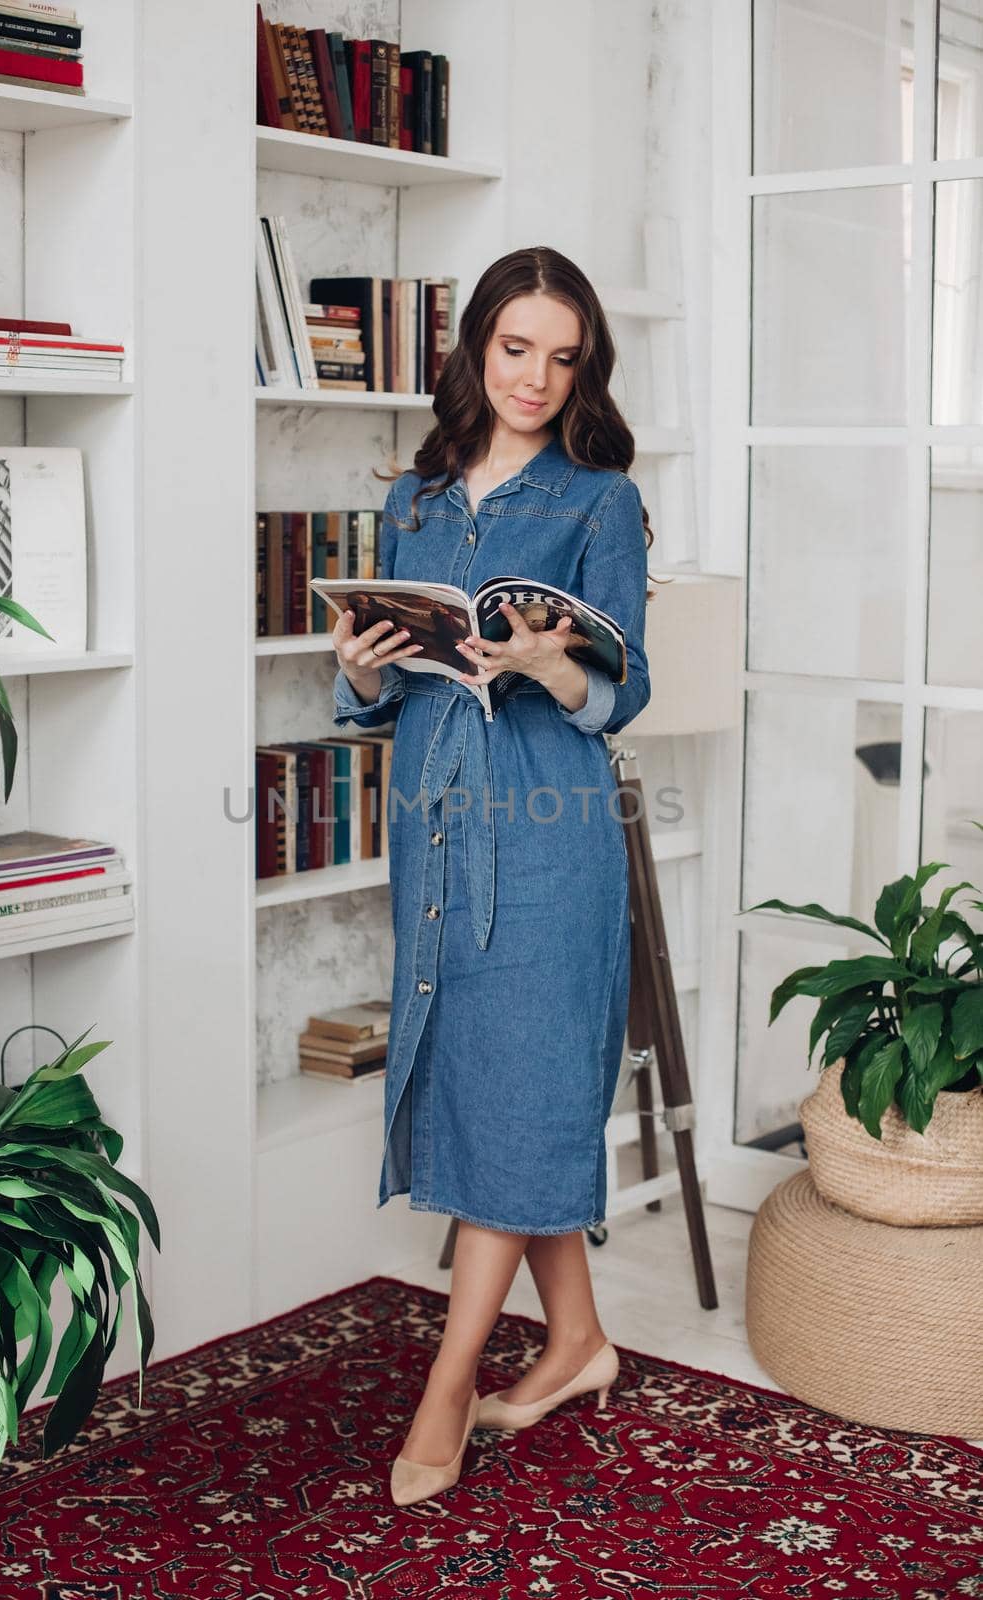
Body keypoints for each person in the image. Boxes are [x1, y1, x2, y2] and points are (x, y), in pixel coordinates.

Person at [330, 244, 654, 1508]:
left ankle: (447, 1385)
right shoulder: (415, 495)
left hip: (549, 833)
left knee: (520, 1088)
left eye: (561, 356)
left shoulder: (599, 499)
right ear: (474, 347)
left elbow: (622, 693)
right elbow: (370, 689)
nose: (535, 376)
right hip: (431, 823)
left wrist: (544, 667)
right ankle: (576, 1345)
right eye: (514, 348)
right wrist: (358, 675)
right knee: (492, 1089)